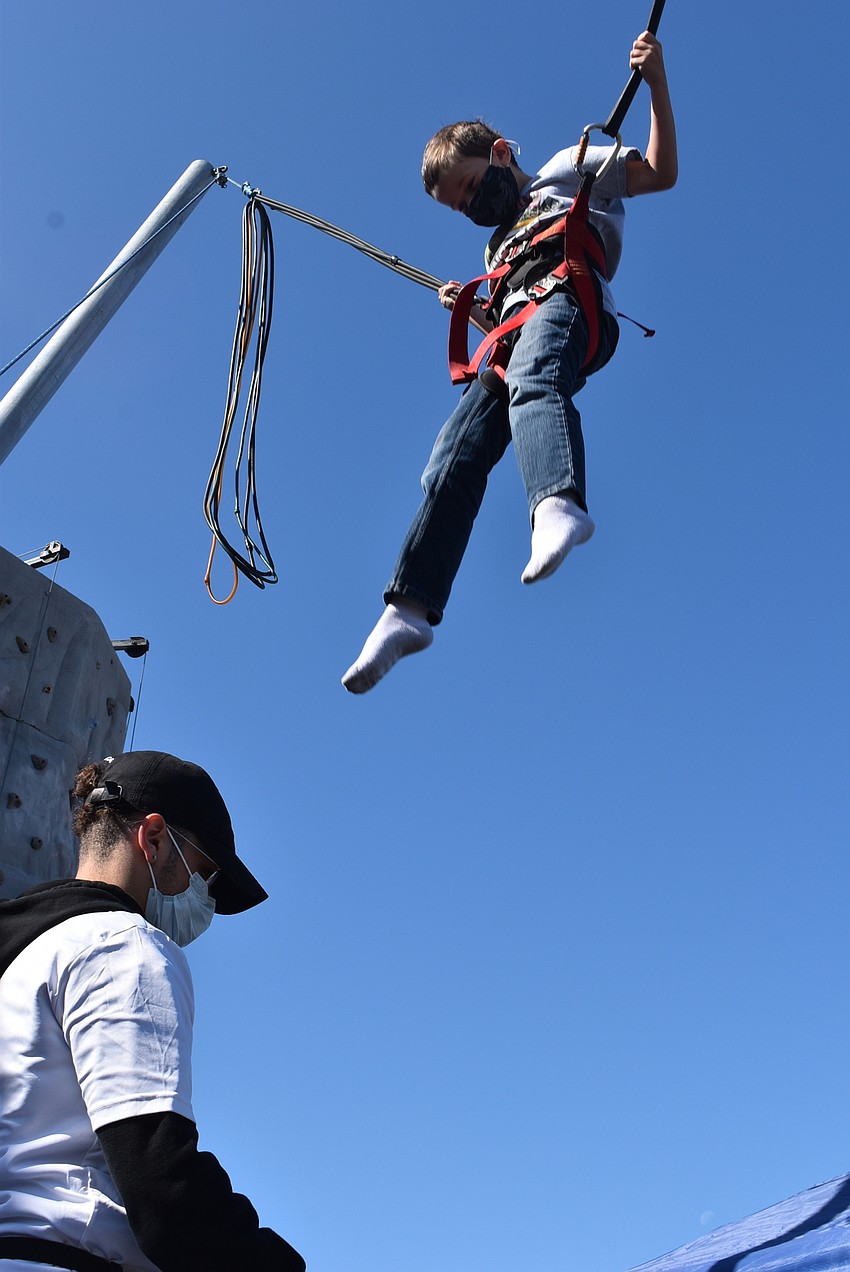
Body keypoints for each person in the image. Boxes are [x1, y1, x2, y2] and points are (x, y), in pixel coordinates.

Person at [342, 30, 677, 694]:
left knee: (534, 380)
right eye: (460, 206)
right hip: (517, 331)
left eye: (471, 187)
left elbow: (661, 174)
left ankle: (557, 503)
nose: (473, 206)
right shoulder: (496, 249)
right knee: (452, 454)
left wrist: (657, 83)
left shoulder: (565, 168)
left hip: (572, 301)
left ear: (499, 153)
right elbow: (504, 324)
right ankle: (409, 608)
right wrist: (472, 309)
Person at [0, 750, 306, 1272]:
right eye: (203, 875)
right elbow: (164, 1192)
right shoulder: (124, 947)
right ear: (155, 839)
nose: (205, 901)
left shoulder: (25, 954)